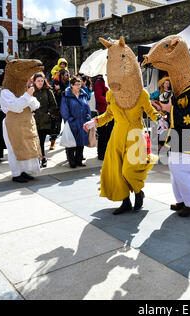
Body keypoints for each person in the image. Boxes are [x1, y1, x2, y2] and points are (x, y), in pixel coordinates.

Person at [84, 37, 162, 214]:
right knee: (117, 172)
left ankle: (138, 192)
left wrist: (161, 120)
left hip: (136, 135)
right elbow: (109, 115)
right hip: (116, 137)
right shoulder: (112, 95)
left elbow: (151, 112)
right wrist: (94, 121)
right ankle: (125, 201)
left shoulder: (141, 94)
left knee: (129, 170)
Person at [141, 34, 190, 217]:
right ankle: (183, 200)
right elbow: (176, 111)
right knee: (175, 168)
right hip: (181, 136)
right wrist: (164, 109)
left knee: (182, 169)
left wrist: (170, 109)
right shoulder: (183, 89)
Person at [0, 57, 44, 183]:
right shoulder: (6, 92)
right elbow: (16, 107)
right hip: (13, 125)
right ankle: (16, 173)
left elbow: (36, 105)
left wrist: (28, 96)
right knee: (15, 149)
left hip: (25, 123)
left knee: (26, 147)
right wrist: (27, 96)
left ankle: (24, 171)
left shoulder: (24, 90)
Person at [59, 76, 91, 168]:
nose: (78, 86)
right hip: (72, 122)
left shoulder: (83, 94)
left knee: (81, 142)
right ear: (72, 85)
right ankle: (71, 161)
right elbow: (63, 109)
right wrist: (69, 119)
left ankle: (79, 160)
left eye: (79, 84)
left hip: (83, 122)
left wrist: (88, 116)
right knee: (71, 143)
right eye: (76, 84)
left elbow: (87, 106)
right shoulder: (66, 95)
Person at [32, 72, 58, 168]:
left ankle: (42, 157)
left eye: (42, 81)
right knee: (36, 141)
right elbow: (26, 103)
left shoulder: (47, 91)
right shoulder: (31, 91)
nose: (40, 82)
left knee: (41, 140)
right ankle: (38, 158)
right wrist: (31, 112)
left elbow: (54, 104)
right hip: (34, 120)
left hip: (45, 120)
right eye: (38, 81)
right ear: (34, 81)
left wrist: (49, 112)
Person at [93, 74, 113, 160]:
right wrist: (109, 100)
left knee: (110, 133)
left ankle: (108, 152)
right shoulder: (99, 82)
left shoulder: (111, 81)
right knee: (102, 134)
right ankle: (101, 154)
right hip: (103, 111)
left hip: (112, 111)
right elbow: (98, 97)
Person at [50, 68, 70, 150]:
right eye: (66, 75)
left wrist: (60, 91)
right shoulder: (55, 82)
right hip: (58, 107)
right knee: (56, 126)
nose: (68, 76)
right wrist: (57, 90)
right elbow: (53, 94)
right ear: (62, 76)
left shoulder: (69, 83)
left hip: (67, 107)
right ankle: (52, 142)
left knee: (68, 125)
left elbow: (68, 93)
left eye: (68, 74)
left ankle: (68, 143)